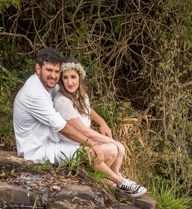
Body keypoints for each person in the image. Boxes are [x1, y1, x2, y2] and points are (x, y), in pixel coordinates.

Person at [12, 48, 144, 196]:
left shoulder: (48, 85)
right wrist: (91, 144)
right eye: (49, 70)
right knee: (91, 151)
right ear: (38, 68)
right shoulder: (34, 94)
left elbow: (79, 103)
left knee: (102, 149)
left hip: (52, 141)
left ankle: (111, 178)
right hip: (38, 149)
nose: (53, 76)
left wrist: (101, 121)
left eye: (56, 72)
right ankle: (120, 183)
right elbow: (63, 127)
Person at [55, 60, 146, 197]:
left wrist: (102, 122)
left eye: (73, 77)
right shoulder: (63, 101)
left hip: (83, 141)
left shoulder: (81, 96)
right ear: (61, 80)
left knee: (115, 149)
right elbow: (84, 131)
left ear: (80, 77)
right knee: (113, 149)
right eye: (65, 77)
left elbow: (87, 109)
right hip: (70, 145)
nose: (69, 82)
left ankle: (111, 178)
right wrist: (114, 142)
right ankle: (118, 181)